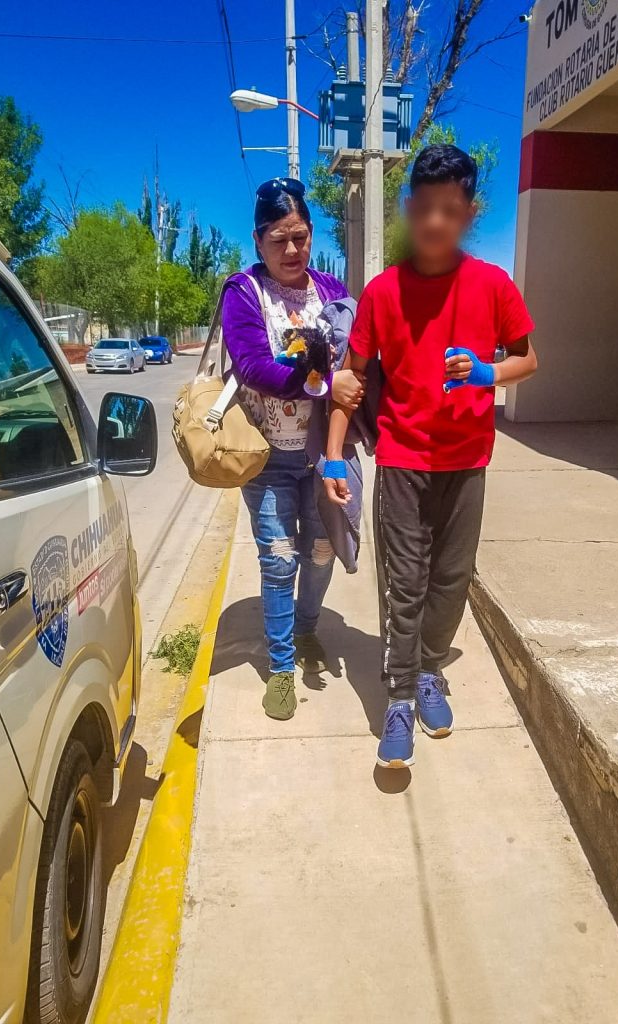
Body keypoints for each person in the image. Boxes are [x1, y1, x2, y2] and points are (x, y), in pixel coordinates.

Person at [323, 144, 538, 768]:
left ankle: (428, 671)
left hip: (468, 462)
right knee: (406, 583)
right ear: (409, 208)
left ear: (468, 213)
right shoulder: (383, 292)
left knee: (451, 580)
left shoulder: (492, 285)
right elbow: (350, 381)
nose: (436, 221)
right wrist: (333, 459)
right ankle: (397, 696)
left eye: (451, 209)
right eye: (425, 207)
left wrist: (487, 373)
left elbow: (528, 359)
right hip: (403, 461)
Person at [222, 177, 364, 721]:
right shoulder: (243, 292)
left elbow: (356, 358)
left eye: (300, 237)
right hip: (267, 458)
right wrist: (325, 386)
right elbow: (253, 367)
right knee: (280, 560)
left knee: (322, 551)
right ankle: (281, 666)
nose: (291, 250)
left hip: (323, 453)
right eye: (278, 239)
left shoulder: (330, 289)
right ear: (258, 240)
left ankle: (306, 631)